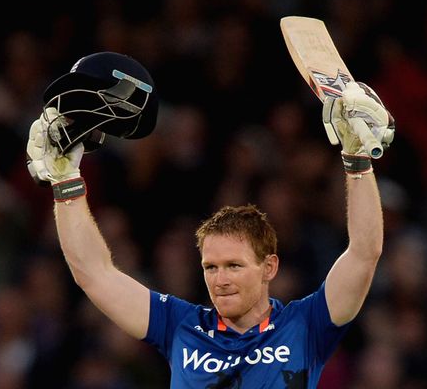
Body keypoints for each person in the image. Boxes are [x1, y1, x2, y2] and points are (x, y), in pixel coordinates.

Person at [26, 52, 395, 388]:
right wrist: (65, 183)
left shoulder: (306, 326)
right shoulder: (180, 325)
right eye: (211, 267)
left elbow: (365, 252)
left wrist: (358, 160)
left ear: (269, 267)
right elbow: (94, 274)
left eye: (234, 265)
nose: (220, 280)